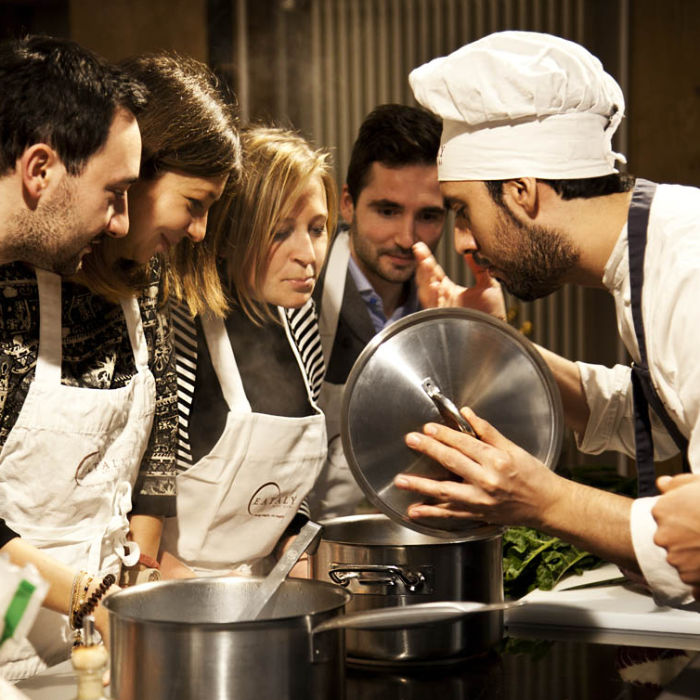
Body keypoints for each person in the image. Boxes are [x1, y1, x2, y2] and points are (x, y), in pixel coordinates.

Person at [390, 30, 700, 606]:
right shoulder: (652, 248)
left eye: (463, 211)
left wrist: (544, 501)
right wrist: (496, 345)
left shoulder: (690, 269)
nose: (461, 241)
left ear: (521, 192)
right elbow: (657, 411)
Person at [0, 46, 239, 680]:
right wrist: (96, 602)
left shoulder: (143, 285)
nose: (199, 231)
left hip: (92, 634)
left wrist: (138, 573)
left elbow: (159, 441)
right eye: (194, 203)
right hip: (13, 629)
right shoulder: (16, 283)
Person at [159, 126, 336, 578]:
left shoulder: (300, 321)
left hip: (264, 589)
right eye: (281, 232)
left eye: (317, 229)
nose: (308, 254)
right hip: (174, 590)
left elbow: (282, 494)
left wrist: (294, 543)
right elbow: (133, 502)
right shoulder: (178, 327)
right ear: (229, 235)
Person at [306, 103, 447, 521]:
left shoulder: (447, 310)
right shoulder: (301, 291)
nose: (407, 237)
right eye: (388, 211)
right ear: (347, 204)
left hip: (409, 532)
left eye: (428, 216)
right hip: (309, 540)